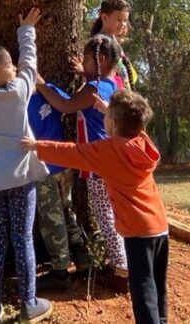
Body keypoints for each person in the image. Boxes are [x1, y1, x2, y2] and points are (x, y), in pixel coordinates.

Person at [22, 91, 169, 324]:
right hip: (160, 227)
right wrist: (109, 110)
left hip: (138, 231)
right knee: (158, 284)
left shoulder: (108, 150)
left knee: (143, 290)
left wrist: (36, 146)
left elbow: (71, 152)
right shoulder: (142, 142)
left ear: (113, 123)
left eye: (106, 117)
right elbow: (132, 123)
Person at [0, 8, 53, 324]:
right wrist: (26, 30)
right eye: (8, 65)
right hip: (20, 180)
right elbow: (30, 64)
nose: (14, 67)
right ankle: (29, 303)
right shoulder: (18, 93)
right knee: (23, 240)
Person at [39, 33, 128, 279]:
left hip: (97, 160)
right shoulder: (112, 84)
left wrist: (41, 84)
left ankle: (121, 268)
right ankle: (121, 261)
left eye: (87, 59)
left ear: (101, 59)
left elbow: (66, 105)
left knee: (104, 214)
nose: (84, 62)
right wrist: (83, 73)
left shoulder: (93, 88)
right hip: (111, 157)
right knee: (112, 213)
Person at [28, 79, 89, 290]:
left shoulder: (22, 97)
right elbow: (68, 103)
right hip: (62, 161)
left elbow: (69, 104)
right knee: (66, 210)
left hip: (45, 168)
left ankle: (61, 271)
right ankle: (81, 254)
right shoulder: (47, 90)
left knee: (52, 218)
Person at [89, 0, 137, 90]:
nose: (123, 24)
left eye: (125, 20)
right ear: (104, 18)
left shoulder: (114, 42)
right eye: (119, 20)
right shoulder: (100, 42)